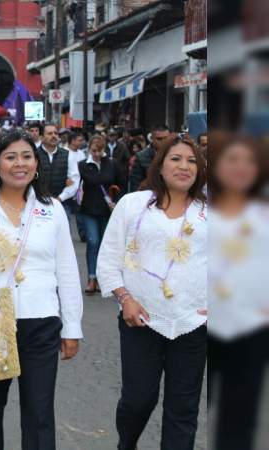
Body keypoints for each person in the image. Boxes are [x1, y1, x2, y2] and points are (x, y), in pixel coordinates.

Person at [0, 129, 83, 450]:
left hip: (41, 322)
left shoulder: (52, 210)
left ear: (36, 164)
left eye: (26, 156)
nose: (18, 164)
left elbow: (67, 271)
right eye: (10, 157)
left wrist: (72, 326)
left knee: (39, 412)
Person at [97, 135, 207, 450]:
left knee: (183, 408)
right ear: (160, 165)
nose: (184, 166)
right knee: (138, 400)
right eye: (176, 159)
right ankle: (126, 443)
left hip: (192, 323)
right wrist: (125, 298)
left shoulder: (208, 213)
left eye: (191, 161)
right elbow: (108, 260)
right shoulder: (133, 204)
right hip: (140, 319)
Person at [206, 132, 268, 450]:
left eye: (249, 161)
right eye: (232, 159)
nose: (241, 167)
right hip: (203, 322)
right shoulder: (200, 210)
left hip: (249, 328)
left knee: (240, 416)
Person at [77, 135, 126, 294]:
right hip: (89, 209)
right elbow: (92, 180)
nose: (97, 154)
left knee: (107, 245)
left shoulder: (112, 164)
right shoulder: (83, 165)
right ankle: (92, 278)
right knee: (93, 242)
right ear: (89, 149)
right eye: (94, 151)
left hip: (108, 210)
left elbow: (122, 183)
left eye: (100, 150)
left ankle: (104, 278)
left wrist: (117, 201)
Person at [36, 124, 80, 219]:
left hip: (63, 203)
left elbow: (74, 181)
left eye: (56, 133)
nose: (54, 136)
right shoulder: (34, 155)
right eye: (50, 133)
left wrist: (60, 198)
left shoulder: (68, 155)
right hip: (38, 203)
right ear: (42, 137)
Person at [128, 124, 171, 193]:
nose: (163, 141)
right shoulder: (141, 157)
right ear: (152, 139)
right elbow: (135, 187)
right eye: (159, 139)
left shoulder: (176, 155)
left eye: (166, 138)